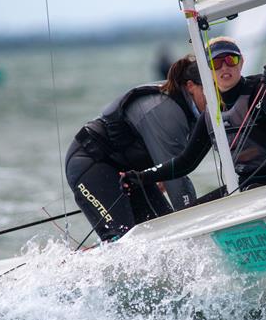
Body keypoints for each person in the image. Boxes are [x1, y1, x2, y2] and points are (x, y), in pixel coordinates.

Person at [121, 36, 266, 196]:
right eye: (216, 63)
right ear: (207, 70)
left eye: (231, 60)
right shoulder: (211, 112)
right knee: (192, 215)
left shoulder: (259, 89)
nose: (224, 68)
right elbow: (186, 162)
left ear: (241, 62)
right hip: (250, 191)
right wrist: (142, 177)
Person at [65, 55, 205, 241]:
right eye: (209, 89)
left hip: (130, 175)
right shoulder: (166, 111)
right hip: (91, 164)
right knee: (124, 239)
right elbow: (177, 181)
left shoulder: (195, 110)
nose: (216, 96)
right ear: (190, 87)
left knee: (163, 236)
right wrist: (195, 227)